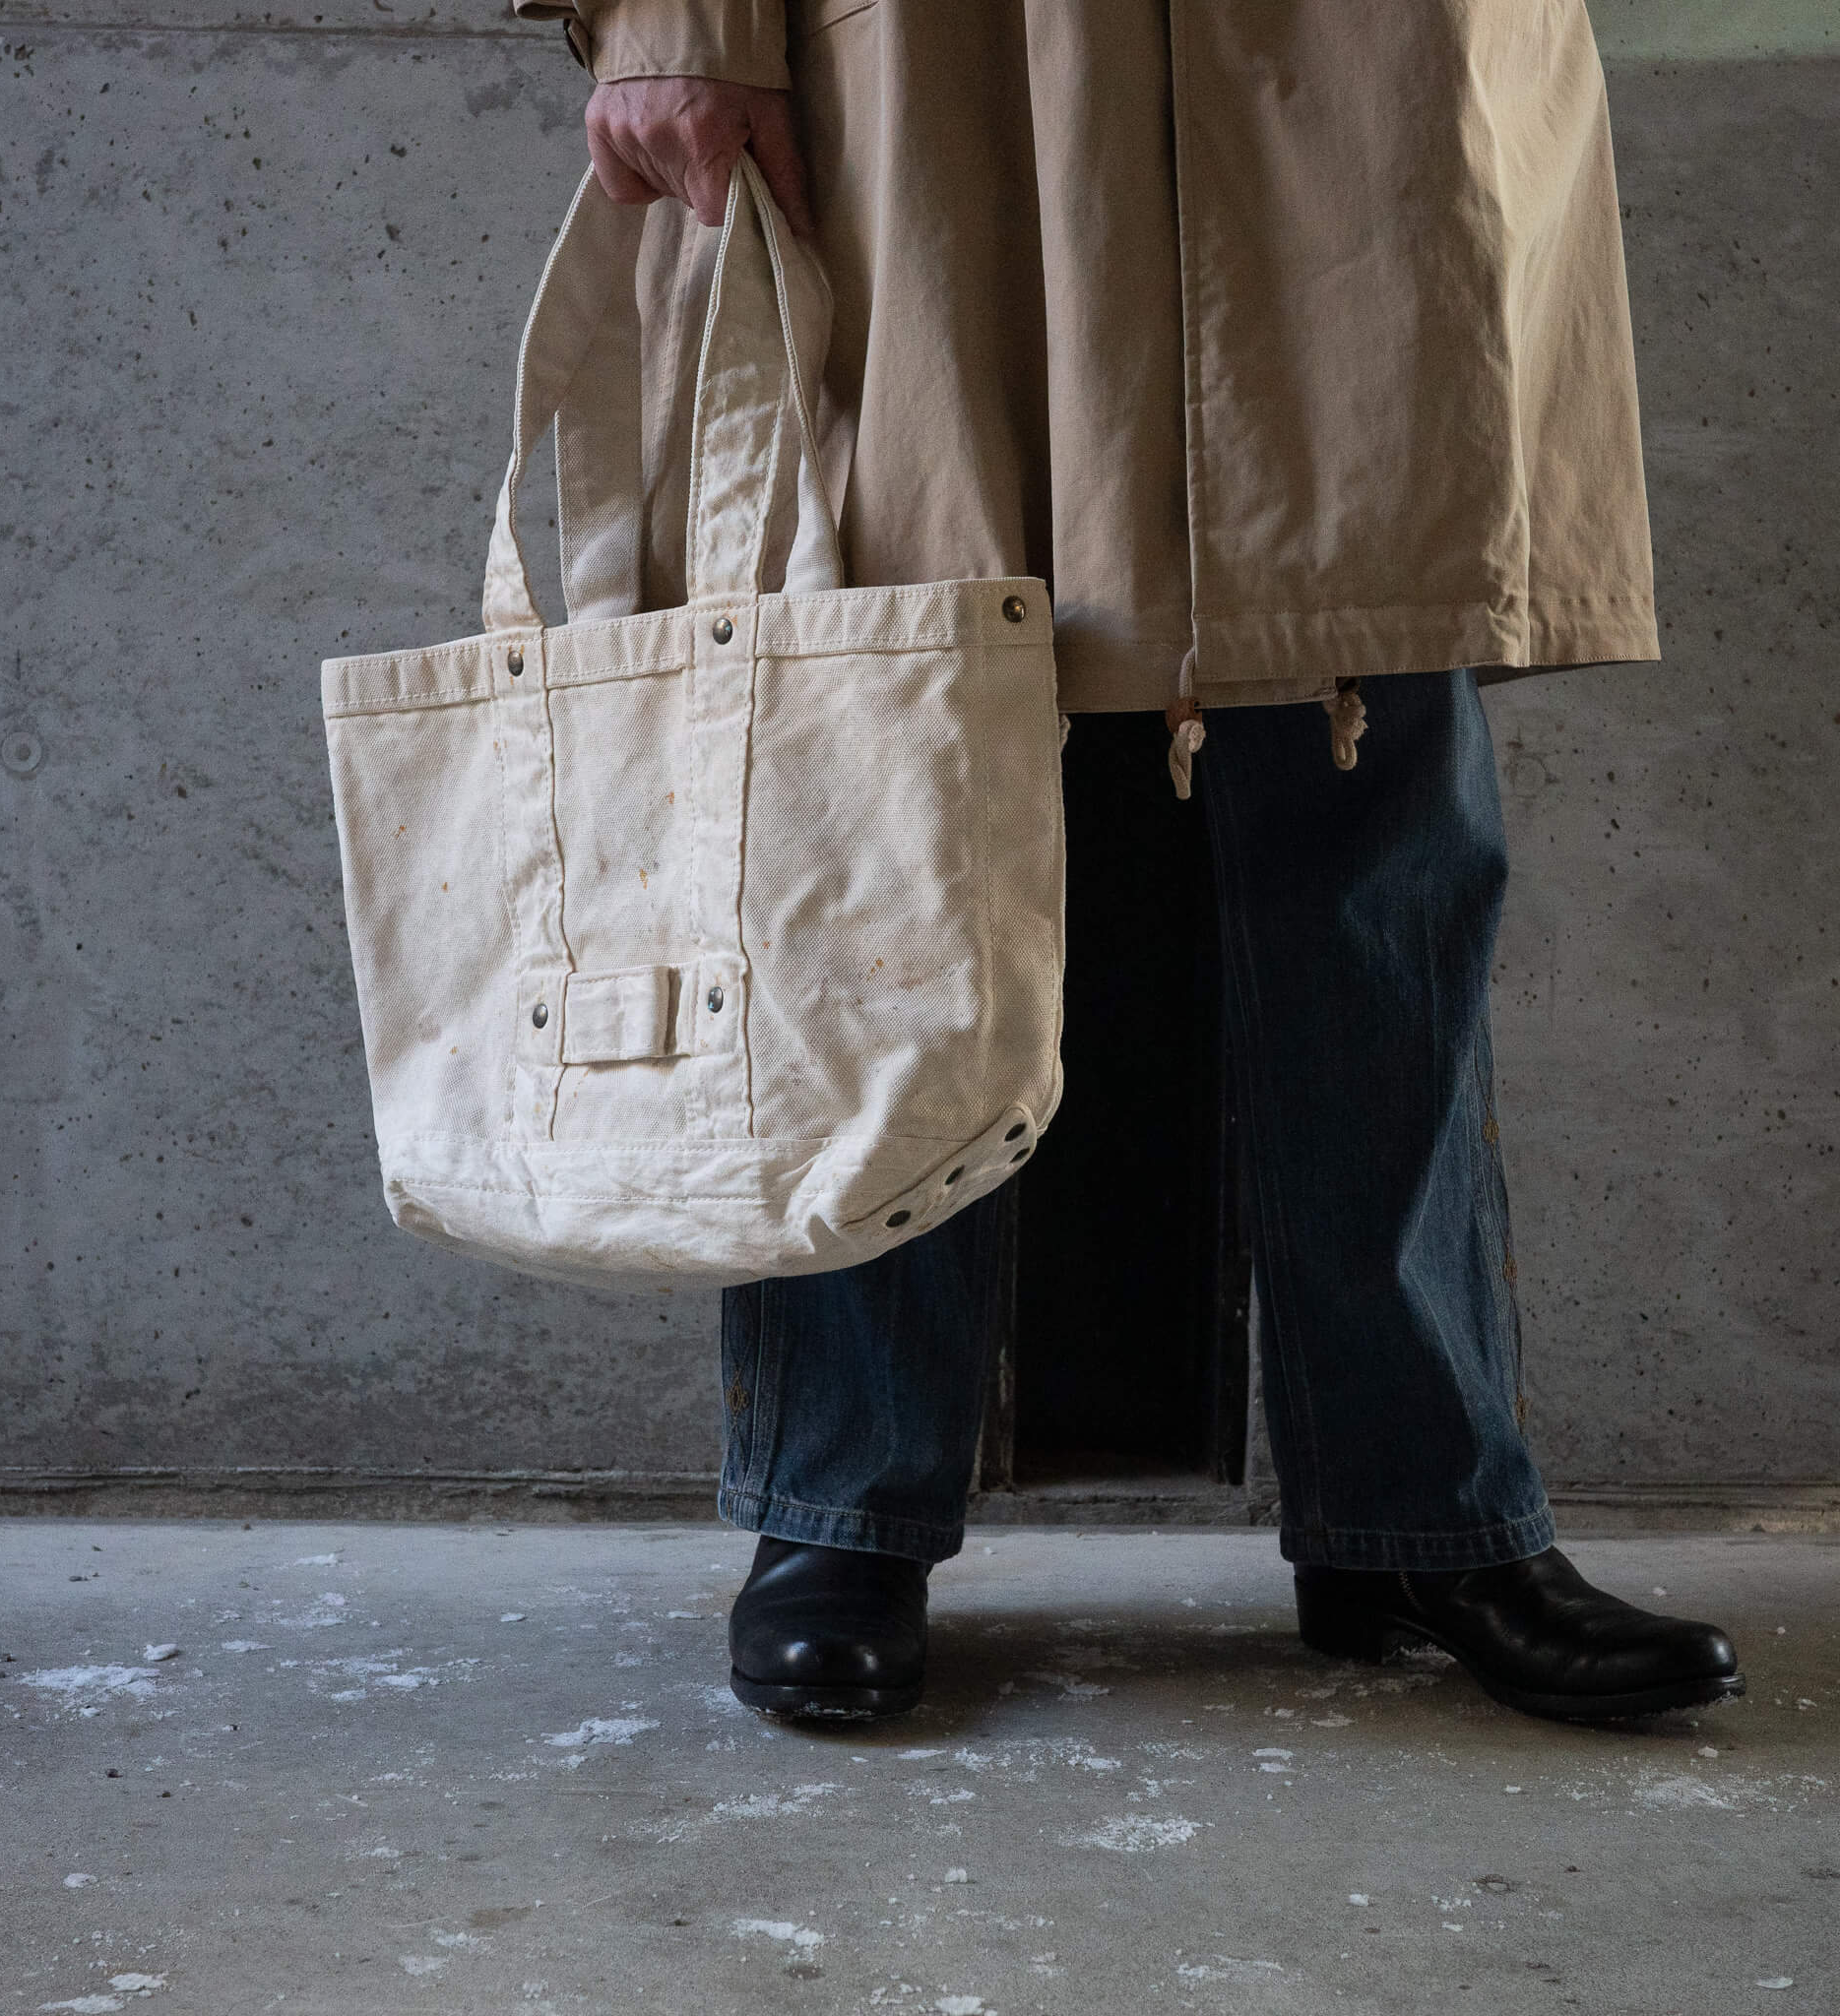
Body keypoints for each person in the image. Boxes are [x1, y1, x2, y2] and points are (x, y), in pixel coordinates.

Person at [516, 0, 1745, 1724]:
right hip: (939, 74)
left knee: (1365, 744)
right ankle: (842, 1501)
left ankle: (1423, 1512)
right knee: (876, 781)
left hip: (1369, 68)